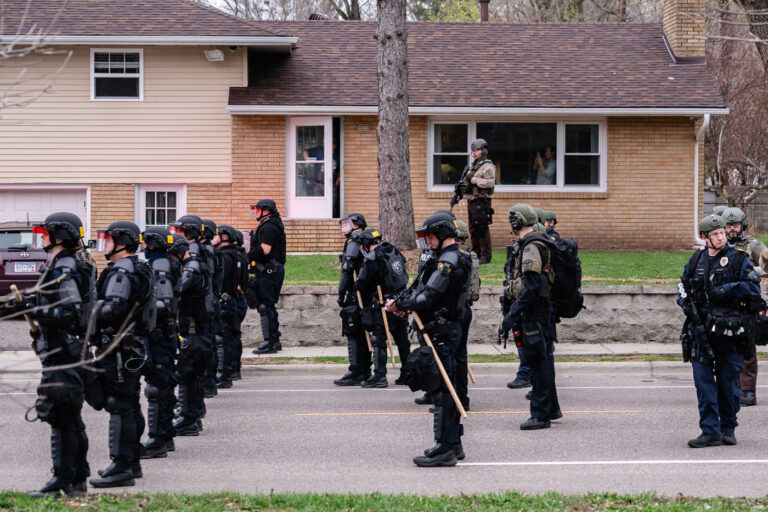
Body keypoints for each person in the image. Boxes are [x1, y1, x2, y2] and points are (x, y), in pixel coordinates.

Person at [386, 211, 471, 467]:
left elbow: (427, 298)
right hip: (443, 329)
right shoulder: (442, 257)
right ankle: (453, 443)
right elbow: (419, 289)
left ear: (444, 233)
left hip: (443, 332)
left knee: (443, 390)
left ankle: (444, 448)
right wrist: (403, 303)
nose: (428, 240)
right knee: (450, 386)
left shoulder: (449, 260)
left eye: (431, 235)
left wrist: (401, 304)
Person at [23, 213, 93, 497]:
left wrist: (36, 311)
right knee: (70, 417)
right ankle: (77, 479)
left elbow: (70, 310)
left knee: (61, 416)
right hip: (65, 351)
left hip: (63, 352)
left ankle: (62, 480)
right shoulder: (67, 263)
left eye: (44, 232)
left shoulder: (63, 266)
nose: (40, 237)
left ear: (59, 236)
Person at [678, 214, 761, 448]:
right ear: (705, 237)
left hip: (730, 333)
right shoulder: (696, 261)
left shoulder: (738, 260)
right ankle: (710, 431)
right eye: (715, 234)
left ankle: (727, 428)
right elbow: (683, 287)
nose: (720, 237)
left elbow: (753, 289)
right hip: (701, 333)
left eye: (722, 233)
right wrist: (684, 302)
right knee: (704, 385)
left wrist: (727, 289)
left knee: (728, 384)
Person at [89, 221, 153, 488]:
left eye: (109, 240)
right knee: (129, 404)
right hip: (129, 346)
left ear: (122, 243)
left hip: (120, 347)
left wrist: (88, 310)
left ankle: (122, 465)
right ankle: (132, 461)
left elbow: (114, 308)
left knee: (120, 406)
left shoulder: (123, 271)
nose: (104, 245)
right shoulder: (137, 266)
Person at [501, 205, 561, 430]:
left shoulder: (531, 247)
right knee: (544, 361)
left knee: (538, 365)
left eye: (511, 220)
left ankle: (540, 415)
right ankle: (551, 408)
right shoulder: (537, 242)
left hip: (535, 314)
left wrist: (512, 313)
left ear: (517, 221)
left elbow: (533, 286)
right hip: (541, 312)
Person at [168, 216, 214, 437]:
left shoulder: (192, 265)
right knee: (191, 375)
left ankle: (188, 419)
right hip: (198, 329)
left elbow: (179, 290)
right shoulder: (198, 260)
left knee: (187, 375)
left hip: (195, 329)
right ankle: (192, 416)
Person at [139, 226, 179, 460]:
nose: (143, 246)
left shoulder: (160, 265)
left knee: (158, 385)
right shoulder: (162, 263)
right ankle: (165, 435)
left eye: (146, 243)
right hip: (163, 333)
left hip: (160, 334)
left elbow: (163, 302)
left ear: (153, 244)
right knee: (162, 384)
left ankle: (158, 438)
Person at [721, 207, 768, 407]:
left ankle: (748, 390)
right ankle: (729, 387)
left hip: (747, 302)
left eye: (736, 225)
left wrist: (753, 271)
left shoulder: (752, 246)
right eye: (729, 225)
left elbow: (766, 264)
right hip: (724, 302)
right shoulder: (719, 245)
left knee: (747, 344)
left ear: (743, 225)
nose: (732, 229)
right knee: (725, 345)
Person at [356, 228, 410, 388]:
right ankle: (407, 372)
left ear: (366, 245)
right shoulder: (392, 249)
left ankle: (380, 375)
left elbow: (364, 282)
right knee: (402, 339)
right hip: (401, 300)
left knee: (378, 339)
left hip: (385, 303)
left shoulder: (373, 258)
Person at [334, 213, 371, 386]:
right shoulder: (367, 240)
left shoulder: (354, 241)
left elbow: (347, 269)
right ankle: (365, 369)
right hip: (368, 292)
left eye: (347, 225)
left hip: (356, 294)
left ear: (356, 225)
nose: (344, 228)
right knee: (363, 332)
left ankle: (355, 370)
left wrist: (341, 293)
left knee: (353, 331)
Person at [248, 199, 287, 354]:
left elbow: (264, 249)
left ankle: (269, 341)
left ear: (266, 210)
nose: (255, 212)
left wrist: (245, 256)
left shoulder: (269, 226)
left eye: (257, 209)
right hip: (269, 270)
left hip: (270, 271)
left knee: (265, 306)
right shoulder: (269, 224)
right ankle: (274, 340)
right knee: (267, 305)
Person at [215, 224, 248, 389]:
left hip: (227, 300)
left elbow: (222, 280)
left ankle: (224, 374)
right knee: (233, 337)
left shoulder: (225, 256)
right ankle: (233, 370)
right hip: (235, 298)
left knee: (225, 339)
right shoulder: (236, 255)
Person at [453, 220, 478, 411]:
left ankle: (455, 398)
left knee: (452, 357)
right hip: (466, 309)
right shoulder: (470, 255)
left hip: (455, 310)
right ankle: (462, 397)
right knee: (460, 356)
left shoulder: (455, 257)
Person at [463, 139, 496, 264]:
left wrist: (474, 180)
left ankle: (486, 256)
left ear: (484, 150)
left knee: (481, 227)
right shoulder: (474, 166)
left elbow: (490, 182)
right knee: (473, 229)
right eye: (473, 151)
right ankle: (476, 253)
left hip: (482, 201)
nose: (474, 153)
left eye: (477, 150)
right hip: (472, 201)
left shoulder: (488, 166)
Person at [200, 219, 222, 399]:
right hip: (212, 299)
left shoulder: (207, 253)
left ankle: (208, 383)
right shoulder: (212, 252)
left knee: (206, 345)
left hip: (207, 302)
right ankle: (209, 382)